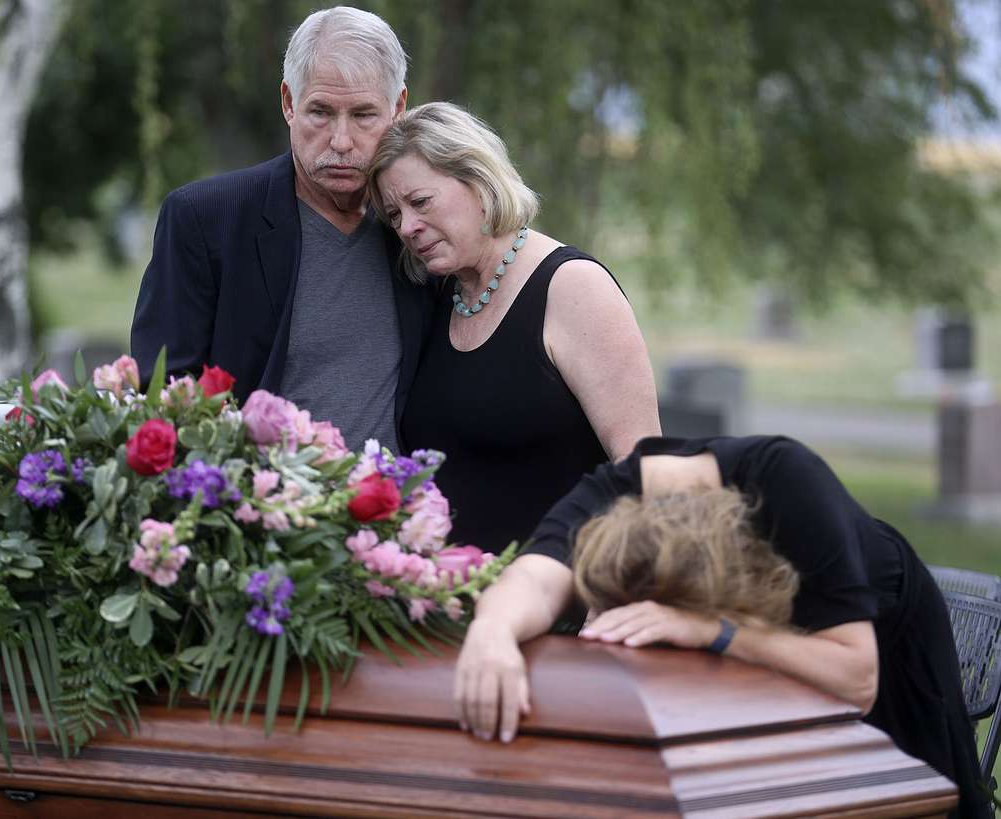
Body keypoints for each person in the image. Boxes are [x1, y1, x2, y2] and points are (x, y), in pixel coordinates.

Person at [454, 434, 989, 819]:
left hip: (880, 636)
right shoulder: (609, 497)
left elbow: (857, 675)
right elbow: (536, 579)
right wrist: (491, 632)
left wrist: (713, 632)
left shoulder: (789, 481)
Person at [130, 7, 435, 452]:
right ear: (289, 103)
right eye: (321, 112)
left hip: (402, 509)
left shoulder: (420, 224)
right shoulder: (204, 219)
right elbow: (162, 394)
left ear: (399, 108)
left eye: (364, 115)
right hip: (259, 510)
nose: (341, 140)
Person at [367, 103, 660, 554]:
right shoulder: (437, 296)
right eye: (394, 214)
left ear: (479, 182)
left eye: (420, 202)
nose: (407, 227)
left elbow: (642, 467)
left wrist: (610, 599)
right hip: (450, 604)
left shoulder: (573, 286)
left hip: (562, 601)